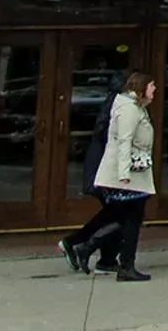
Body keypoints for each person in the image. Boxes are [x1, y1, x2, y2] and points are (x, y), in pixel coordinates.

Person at [57, 70, 125, 275]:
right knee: (120, 214)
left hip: (103, 167)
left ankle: (105, 257)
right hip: (105, 169)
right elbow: (108, 136)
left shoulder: (114, 103)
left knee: (116, 213)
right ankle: (81, 245)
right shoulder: (118, 105)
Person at [93, 71, 157, 282]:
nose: (154, 89)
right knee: (131, 220)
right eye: (151, 85)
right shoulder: (129, 109)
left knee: (128, 219)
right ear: (141, 87)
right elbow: (124, 141)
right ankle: (124, 265)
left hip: (131, 175)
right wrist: (123, 175)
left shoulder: (134, 107)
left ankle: (90, 248)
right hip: (129, 177)